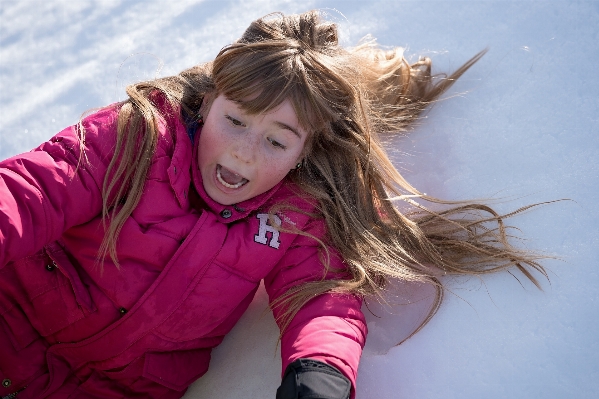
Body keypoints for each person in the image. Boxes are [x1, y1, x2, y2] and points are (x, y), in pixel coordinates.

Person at [0, 10, 547, 399]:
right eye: (234, 120)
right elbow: (28, 193)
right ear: (208, 98)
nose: (244, 149)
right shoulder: (136, 137)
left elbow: (323, 298)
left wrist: (321, 375)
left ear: (307, 149)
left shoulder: (299, 212)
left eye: (278, 140)